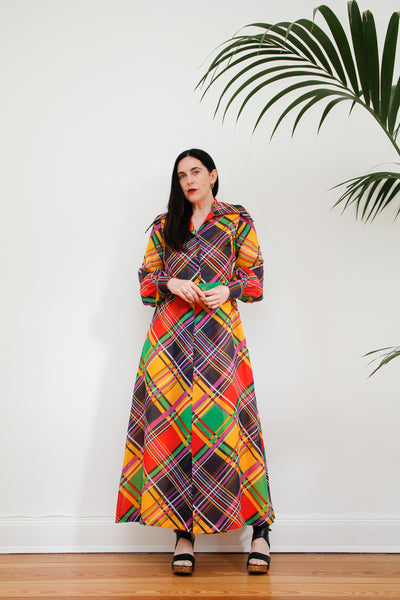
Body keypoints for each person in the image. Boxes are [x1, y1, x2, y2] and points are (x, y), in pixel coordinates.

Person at [115, 149, 275, 575]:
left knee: (233, 429)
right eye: (182, 174)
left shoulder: (237, 220)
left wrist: (229, 290)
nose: (188, 180)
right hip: (169, 343)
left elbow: (256, 279)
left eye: (196, 171)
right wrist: (171, 281)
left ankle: (261, 531)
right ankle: (182, 535)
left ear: (213, 175)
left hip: (219, 341)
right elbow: (146, 283)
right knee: (172, 436)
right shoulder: (163, 225)